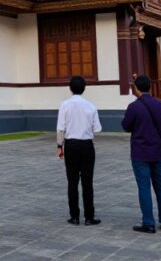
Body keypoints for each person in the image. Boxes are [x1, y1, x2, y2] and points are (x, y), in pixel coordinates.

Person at [121, 75, 161, 233]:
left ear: (136, 88)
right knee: (160, 186)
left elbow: (126, 126)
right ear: (150, 87)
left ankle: (148, 222)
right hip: (158, 151)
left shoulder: (134, 107)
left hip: (140, 152)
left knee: (144, 187)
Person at [57, 76, 102, 226]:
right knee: (87, 182)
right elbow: (97, 129)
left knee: (72, 181)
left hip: (71, 145)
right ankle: (89, 216)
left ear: (70, 88)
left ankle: (74, 216)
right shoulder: (91, 106)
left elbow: (61, 128)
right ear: (84, 88)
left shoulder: (65, 105)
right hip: (87, 145)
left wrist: (59, 146)